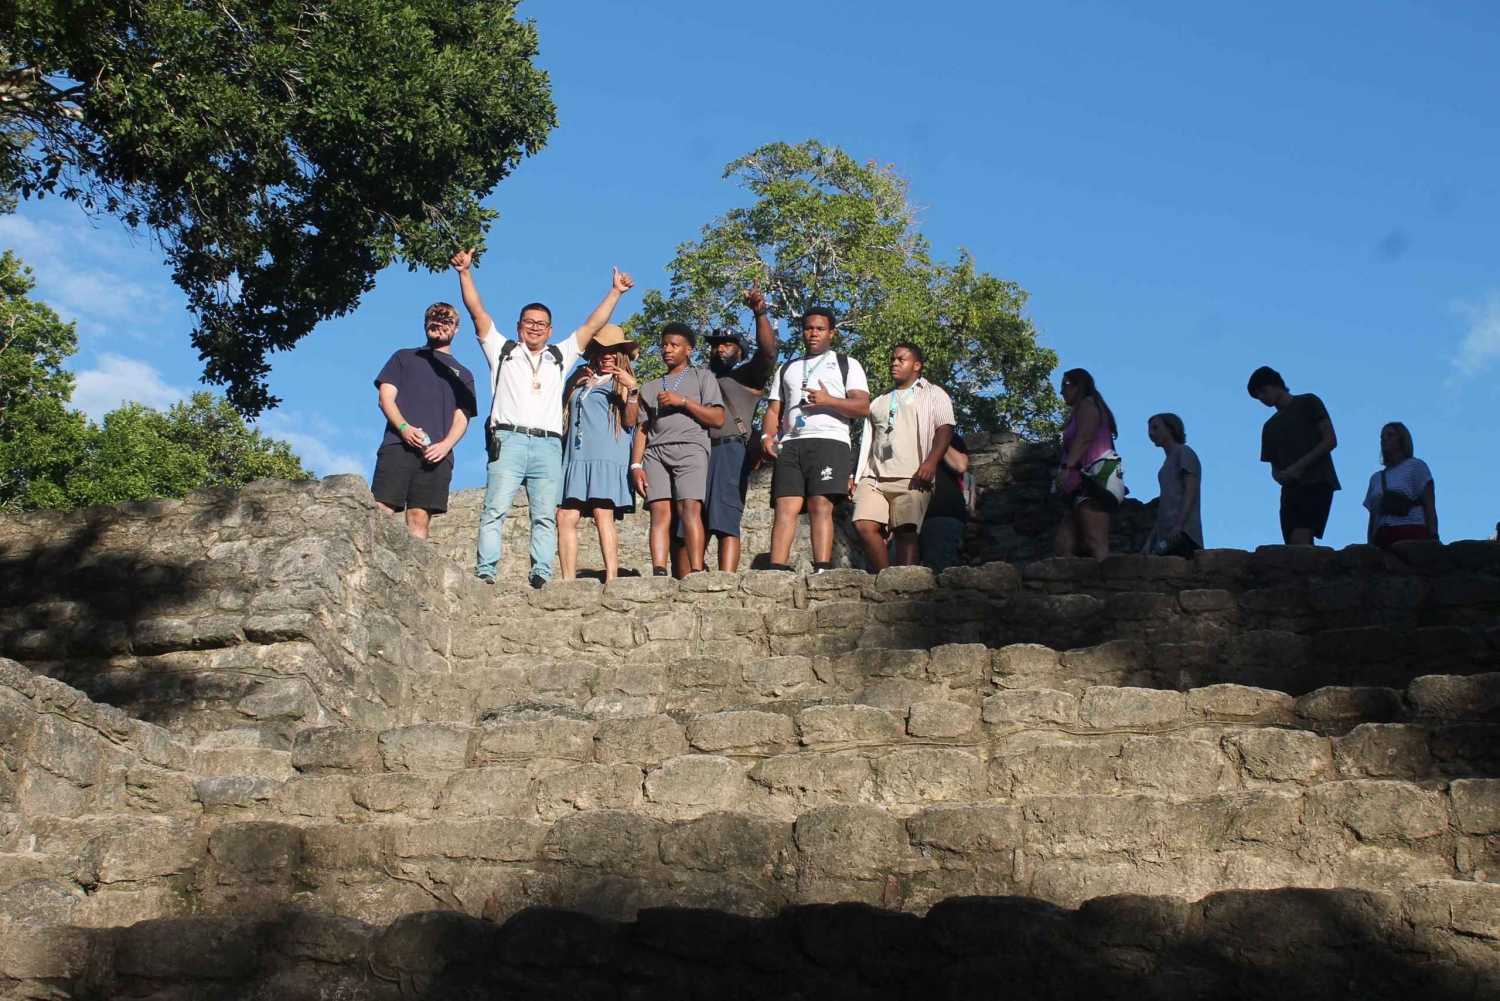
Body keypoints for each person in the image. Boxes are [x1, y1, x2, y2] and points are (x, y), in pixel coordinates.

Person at [451, 248, 634, 587]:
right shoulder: (502, 351)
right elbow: (477, 312)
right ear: (519, 326)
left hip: (549, 445)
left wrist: (615, 292)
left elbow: (592, 324)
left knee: (544, 516)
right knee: (494, 510)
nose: (535, 328)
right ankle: (486, 570)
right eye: (529, 323)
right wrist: (465, 273)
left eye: (541, 324)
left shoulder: (559, 356)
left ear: (550, 330)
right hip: (509, 439)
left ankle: (541, 572)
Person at [759, 308, 871, 572]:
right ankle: (776, 568)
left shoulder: (847, 363)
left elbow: (863, 406)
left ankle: (822, 567)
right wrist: (767, 436)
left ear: (831, 332)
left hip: (830, 440)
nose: (813, 334)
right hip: (792, 442)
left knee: (820, 503)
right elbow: (774, 409)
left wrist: (828, 400)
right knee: (785, 504)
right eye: (808, 328)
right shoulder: (788, 367)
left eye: (820, 329)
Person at [684, 284, 779, 572]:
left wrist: (759, 312)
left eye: (727, 344)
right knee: (692, 517)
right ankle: (694, 575)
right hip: (697, 453)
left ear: (740, 353)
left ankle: (726, 580)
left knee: (726, 519)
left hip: (729, 452)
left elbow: (768, 353)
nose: (719, 348)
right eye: (715, 345)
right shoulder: (698, 380)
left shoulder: (746, 376)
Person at [371, 302, 478, 540]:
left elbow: (463, 415)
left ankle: (413, 574)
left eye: (446, 320)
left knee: (419, 517)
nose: (439, 324)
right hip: (397, 446)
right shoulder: (404, 357)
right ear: (425, 324)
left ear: (456, 329)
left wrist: (446, 445)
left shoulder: (464, 374)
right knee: (382, 509)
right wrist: (403, 428)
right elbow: (385, 398)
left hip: (437, 454)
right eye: (433, 319)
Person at [630, 324, 725, 576]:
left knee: (689, 508)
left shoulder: (703, 377)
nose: (667, 349)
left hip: (691, 448)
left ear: (688, 349)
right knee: (660, 512)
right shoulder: (649, 386)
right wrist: (636, 465)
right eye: (664, 344)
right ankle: (659, 571)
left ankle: (696, 571)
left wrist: (683, 401)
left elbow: (718, 418)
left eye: (674, 345)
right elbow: (642, 428)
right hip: (655, 453)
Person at [852, 343, 956, 570]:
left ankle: (904, 585)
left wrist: (930, 462)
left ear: (917, 365)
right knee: (863, 524)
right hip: (875, 476)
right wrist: (858, 475)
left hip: (912, 475)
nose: (894, 363)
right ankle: (886, 577)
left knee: (906, 532)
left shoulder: (933, 394)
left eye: (901, 359)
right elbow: (869, 441)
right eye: (892, 359)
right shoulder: (880, 400)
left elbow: (945, 429)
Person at [557, 325, 642, 581]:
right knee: (564, 516)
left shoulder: (622, 382)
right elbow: (561, 412)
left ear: (621, 355)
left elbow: (629, 421)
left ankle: (612, 578)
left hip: (607, 453)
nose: (607, 356)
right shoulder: (582, 380)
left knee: (602, 514)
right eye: (602, 350)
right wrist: (572, 383)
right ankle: (567, 582)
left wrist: (633, 390)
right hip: (577, 455)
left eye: (613, 351)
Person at [1248, 366, 1339, 546]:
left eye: (1262, 391)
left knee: (1301, 538)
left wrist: (1300, 466)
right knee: (1292, 546)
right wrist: (1281, 477)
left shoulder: (1308, 402)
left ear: (1275, 384)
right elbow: (1273, 466)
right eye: (1257, 396)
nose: (1261, 398)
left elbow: (1330, 440)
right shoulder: (1269, 427)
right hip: (1290, 491)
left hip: (1317, 481)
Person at [1053, 368, 1123, 561]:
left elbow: (1085, 436)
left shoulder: (1088, 403)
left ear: (1078, 386)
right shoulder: (1081, 408)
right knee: (1063, 545)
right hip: (1078, 489)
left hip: (1090, 484)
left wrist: (1067, 468)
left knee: (1096, 542)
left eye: (1065, 386)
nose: (1061, 392)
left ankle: (1108, 584)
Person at [1362, 422, 1437, 549]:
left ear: (1402, 440)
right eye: (1382, 437)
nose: (1384, 439)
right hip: (1383, 538)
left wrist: (1434, 536)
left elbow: (1429, 505)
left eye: (1390, 435)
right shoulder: (1375, 478)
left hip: (1412, 533)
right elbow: (1373, 518)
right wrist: (1370, 547)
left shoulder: (1416, 466)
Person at [1141, 413, 1203, 557]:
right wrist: (1150, 541)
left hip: (1182, 535)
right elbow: (1165, 505)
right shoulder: (1166, 465)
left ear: (1170, 428)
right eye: (1149, 429)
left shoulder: (1184, 452)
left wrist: (1179, 526)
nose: (1151, 433)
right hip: (1167, 537)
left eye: (1155, 428)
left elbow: (1190, 490)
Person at [921, 434, 971, 572]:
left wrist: (935, 436)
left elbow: (960, 465)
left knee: (939, 571)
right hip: (907, 515)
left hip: (942, 513)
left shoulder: (951, 438)